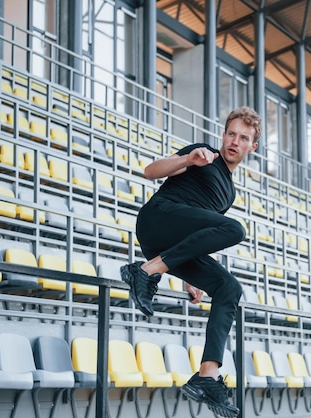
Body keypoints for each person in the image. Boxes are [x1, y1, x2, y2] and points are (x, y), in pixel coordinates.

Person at [120, 106, 262, 417]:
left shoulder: (229, 192)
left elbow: (203, 229)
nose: (234, 142)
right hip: (158, 219)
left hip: (172, 244)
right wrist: (187, 159)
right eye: (231, 134)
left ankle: (206, 376)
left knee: (229, 288)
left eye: (243, 138)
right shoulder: (204, 155)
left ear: (253, 146)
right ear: (223, 135)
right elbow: (150, 171)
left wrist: (191, 277)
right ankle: (145, 271)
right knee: (234, 229)